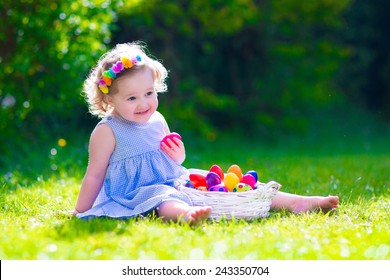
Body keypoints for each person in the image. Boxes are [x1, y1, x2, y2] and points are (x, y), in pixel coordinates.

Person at [74, 42, 338, 225]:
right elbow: (95, 173)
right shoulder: (108, 131)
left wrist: (179, 157)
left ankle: (297, 202)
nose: (144, 103)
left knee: (212, 178)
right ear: (109, 100)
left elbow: (171, 161)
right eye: (132, 98)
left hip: (173, 178)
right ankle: (186, 214)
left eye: (149, 93)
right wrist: (81, 210)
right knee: (164, 199)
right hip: (138, 192)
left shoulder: (156, 119)